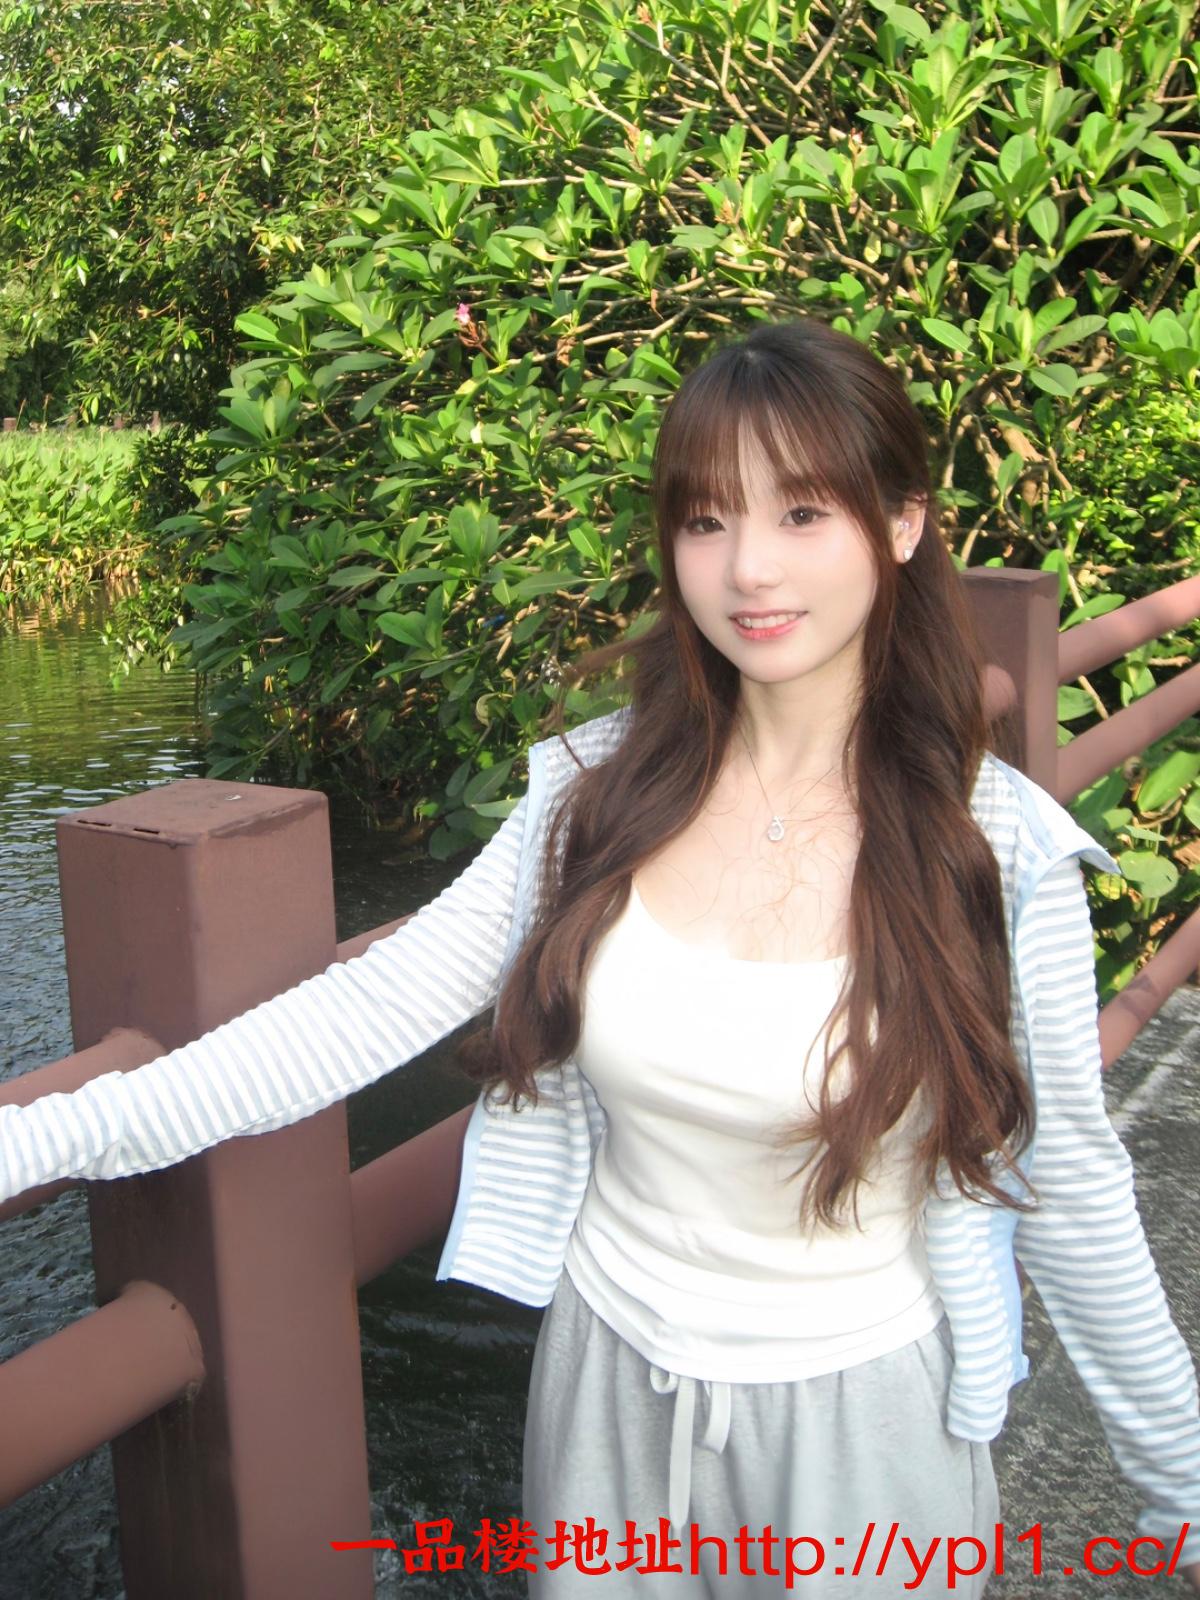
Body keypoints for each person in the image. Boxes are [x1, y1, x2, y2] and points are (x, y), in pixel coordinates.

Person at [2, 317, 1198, 1596]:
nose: (749, 568)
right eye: (705, 520)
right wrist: (40, 1137)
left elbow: (1072, 1183)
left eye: (803, 513)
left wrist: (1179, 1483)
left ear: (902, 522)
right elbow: (359, 1013)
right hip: (607, 1393)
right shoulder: (594, 795)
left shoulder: (995, 847)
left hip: (862, 1426)